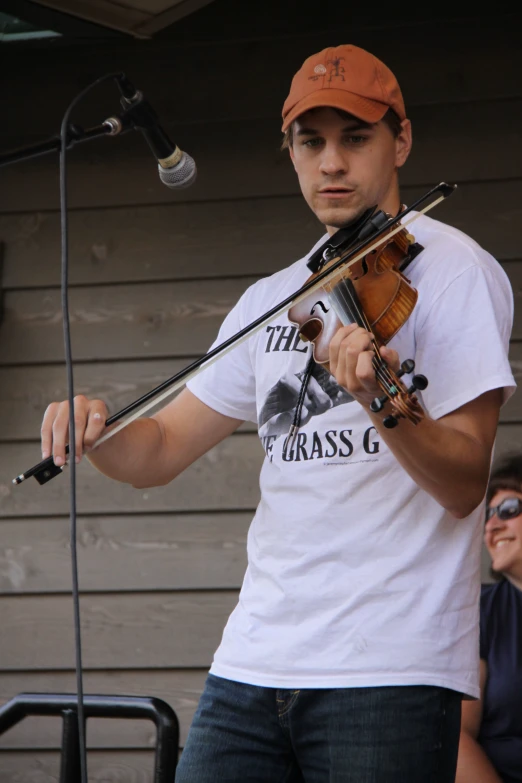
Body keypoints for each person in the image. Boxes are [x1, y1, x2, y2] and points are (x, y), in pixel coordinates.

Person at [41, 44, 516, 782]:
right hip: (253, 660)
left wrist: (380, 398)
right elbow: (162, 448)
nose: (331, 163)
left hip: (388, 667)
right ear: (289, 152)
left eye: (355, 138)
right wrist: (97, 431)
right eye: (310, 141)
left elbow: (462, 482)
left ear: (402, 141)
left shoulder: (454, 271)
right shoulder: (269, 298)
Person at [456, 453, 522, 783]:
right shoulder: (481, 609)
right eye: (488, 515)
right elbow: (457, 739)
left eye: (509, 510)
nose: (492, 526)